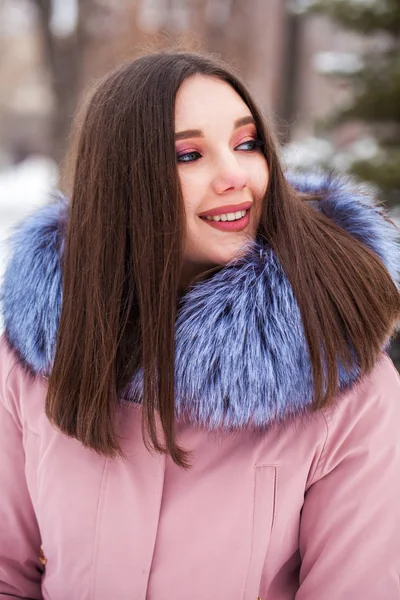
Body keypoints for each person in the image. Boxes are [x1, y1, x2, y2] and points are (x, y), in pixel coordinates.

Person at [0, 51, 399, 600]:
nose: (235, 176)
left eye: (247, 144)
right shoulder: (32, 359)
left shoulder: (343, 376)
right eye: (189, 155)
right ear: (120, 183)